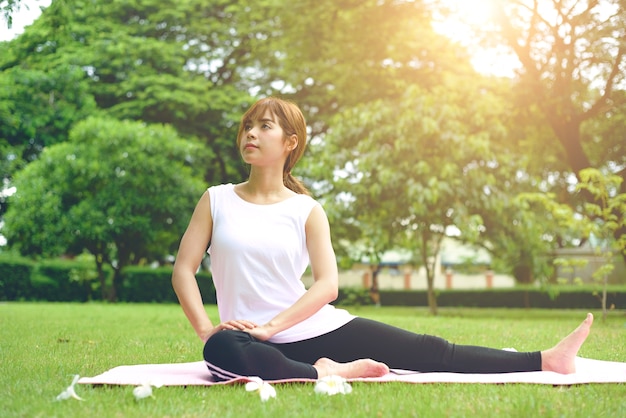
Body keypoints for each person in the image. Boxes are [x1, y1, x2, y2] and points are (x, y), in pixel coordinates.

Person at [172, 97, 594, 381]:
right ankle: (329, 373)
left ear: (290, 142)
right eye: (248, 125)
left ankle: (546, 360)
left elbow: (327, 286)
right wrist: (207, 329)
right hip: (244, 338)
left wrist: (271, 327)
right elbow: (183, 270)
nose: (251, 133)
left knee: (431, 351)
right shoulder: (217, 200)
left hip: (307, 329)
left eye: (264, 126)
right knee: (222, 350)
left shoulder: (306, 210)